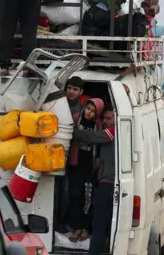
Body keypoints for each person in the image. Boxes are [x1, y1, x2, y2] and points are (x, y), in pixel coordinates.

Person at [71, 106, 116, 255]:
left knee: (99, 224)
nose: (105, 121)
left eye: (108, 118)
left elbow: (95, 137)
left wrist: (72, 133)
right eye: (103, 118)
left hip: (108, 183)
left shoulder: (114, 131)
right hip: (104, 181)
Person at [67, 98, 104, 242]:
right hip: (76, 163)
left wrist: (98, 158)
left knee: (88, 198)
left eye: (93, 111)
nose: (89, 113)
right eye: (88, 109)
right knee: (75, 195)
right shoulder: (77, 119)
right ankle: (76, 227)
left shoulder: (98, 124)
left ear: (97, 113)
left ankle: (85, 228)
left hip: (90, 166)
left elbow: (100, 143)